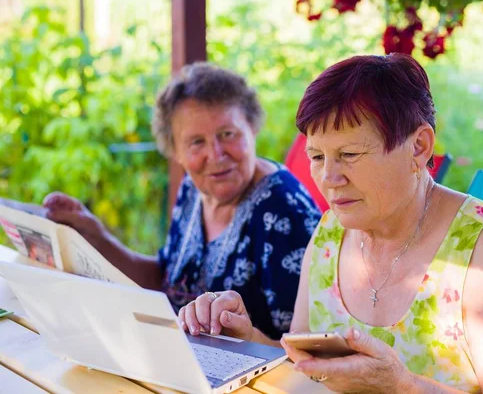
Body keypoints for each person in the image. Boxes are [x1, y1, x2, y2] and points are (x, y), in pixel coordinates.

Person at [178, 54, 483, 393]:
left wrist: (402, 387)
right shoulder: (330, 233)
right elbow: (305, 366)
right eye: (317, 156)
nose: (329, 177)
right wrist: (246, 339)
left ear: (419, 147)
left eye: (349, 154)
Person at [43, 62, 322, 340]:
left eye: (227, 134)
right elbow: (165, 282)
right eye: (196, 143)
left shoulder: (283, 210)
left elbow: (301, 348)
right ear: (175, 151)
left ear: (252, 129)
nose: (215, 155)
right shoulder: (195, 187)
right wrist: (95, 234)